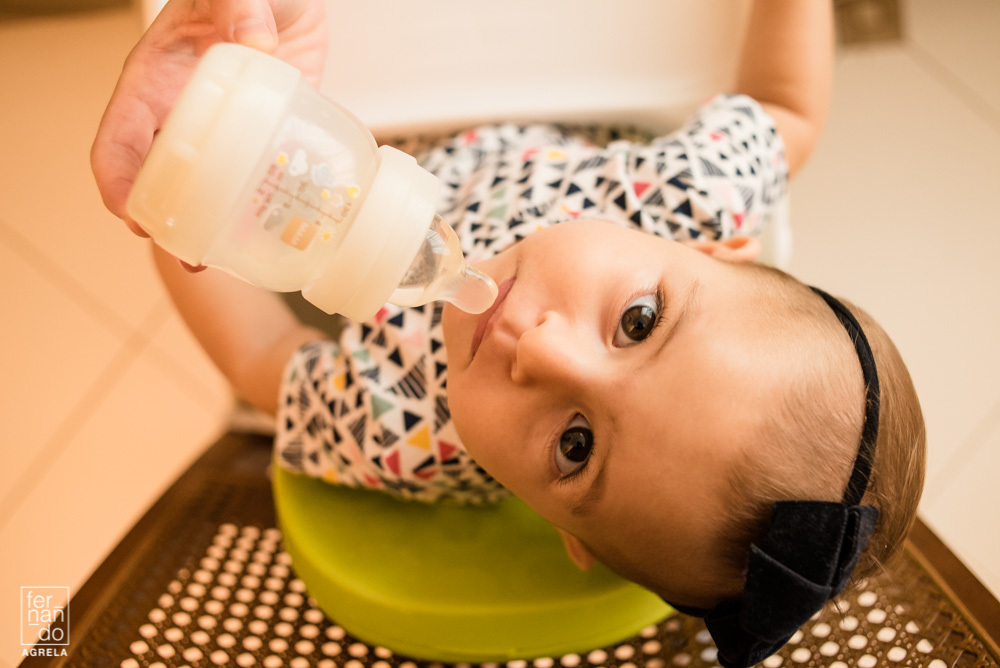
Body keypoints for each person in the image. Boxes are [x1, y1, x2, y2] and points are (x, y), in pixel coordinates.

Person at [92, 1, 926, 665]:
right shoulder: (685, 195)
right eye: (638, 323)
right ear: (714, 247)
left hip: (346, 151)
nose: (540, 350)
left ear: (564, 531)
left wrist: (184, 200)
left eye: (575, 446)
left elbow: (259, 356)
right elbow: (788, 108)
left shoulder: (402, 433)